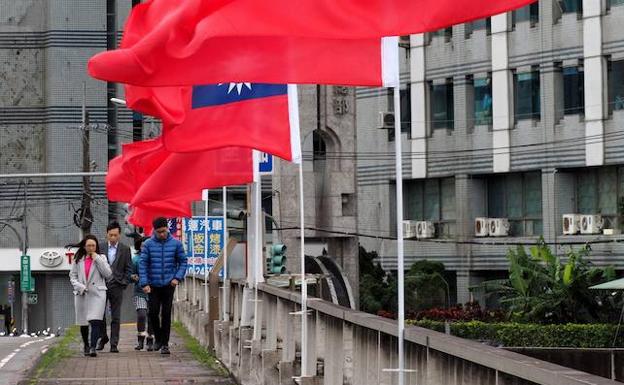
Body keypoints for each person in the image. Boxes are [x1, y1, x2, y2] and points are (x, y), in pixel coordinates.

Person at [139, 217, 187, 355]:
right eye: (159, 232)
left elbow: (183, 262)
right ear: (154, 230)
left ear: (167, 229)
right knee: (153, 312)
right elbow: (143, 264)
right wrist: (144, 283)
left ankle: (165, 344)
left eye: (164, 231)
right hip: (153, 285)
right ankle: (158, 338)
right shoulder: (148, 244)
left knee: (166, 314)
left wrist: (177, 277)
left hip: (168, 284)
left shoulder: (176, 244)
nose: (162, 234)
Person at [68, 235, 112, 357]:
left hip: (98, 293)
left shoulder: (101, 257)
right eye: (89, 245)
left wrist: (96, 258)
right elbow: (73, 276)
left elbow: (108, 274)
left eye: (93, 245)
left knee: (96, 320)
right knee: (83, 321)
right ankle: (86, 345)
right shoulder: (78, 259)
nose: (91, 248)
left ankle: (93, 347)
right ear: (84, 246)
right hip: (82, 293)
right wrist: (80, 287)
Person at [97, 222, 132, 353]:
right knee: (99, 314)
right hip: (102, 285)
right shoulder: (100, 248)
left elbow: (129, 268)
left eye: (115, 235)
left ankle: (114, 344)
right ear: (107, 234)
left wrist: (124, 282)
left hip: (117, 286)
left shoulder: (125, 249)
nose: (113, 238)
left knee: (116, 316)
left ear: (119, 235)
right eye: (110, 235)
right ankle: (103, 337)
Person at [130, 236, 154, 351]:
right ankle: (140, 339)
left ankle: (150, 340)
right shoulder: (135, 259)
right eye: (143, 246)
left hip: (154, 291)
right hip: (140, 292)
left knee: (152, 316)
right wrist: (133, 277)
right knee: (142, 315)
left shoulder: (155, 259)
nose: (144, 248)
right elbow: (130, 274)